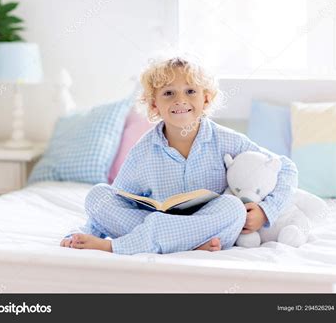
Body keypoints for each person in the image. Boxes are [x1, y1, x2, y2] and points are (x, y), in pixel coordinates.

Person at [60, 56, 297, 255]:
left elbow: (285, 168)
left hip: (210, 223)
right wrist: (83, 234)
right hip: (179, 228)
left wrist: (267, 210)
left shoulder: (227, 140)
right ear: (154, 105)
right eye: (169, 93)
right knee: (97, 196)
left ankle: (116, 248)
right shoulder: (143, 152)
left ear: (206, 99)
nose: (180, 100)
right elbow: (117, 200)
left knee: (233, 208)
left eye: (190, 91)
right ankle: (189, 245)